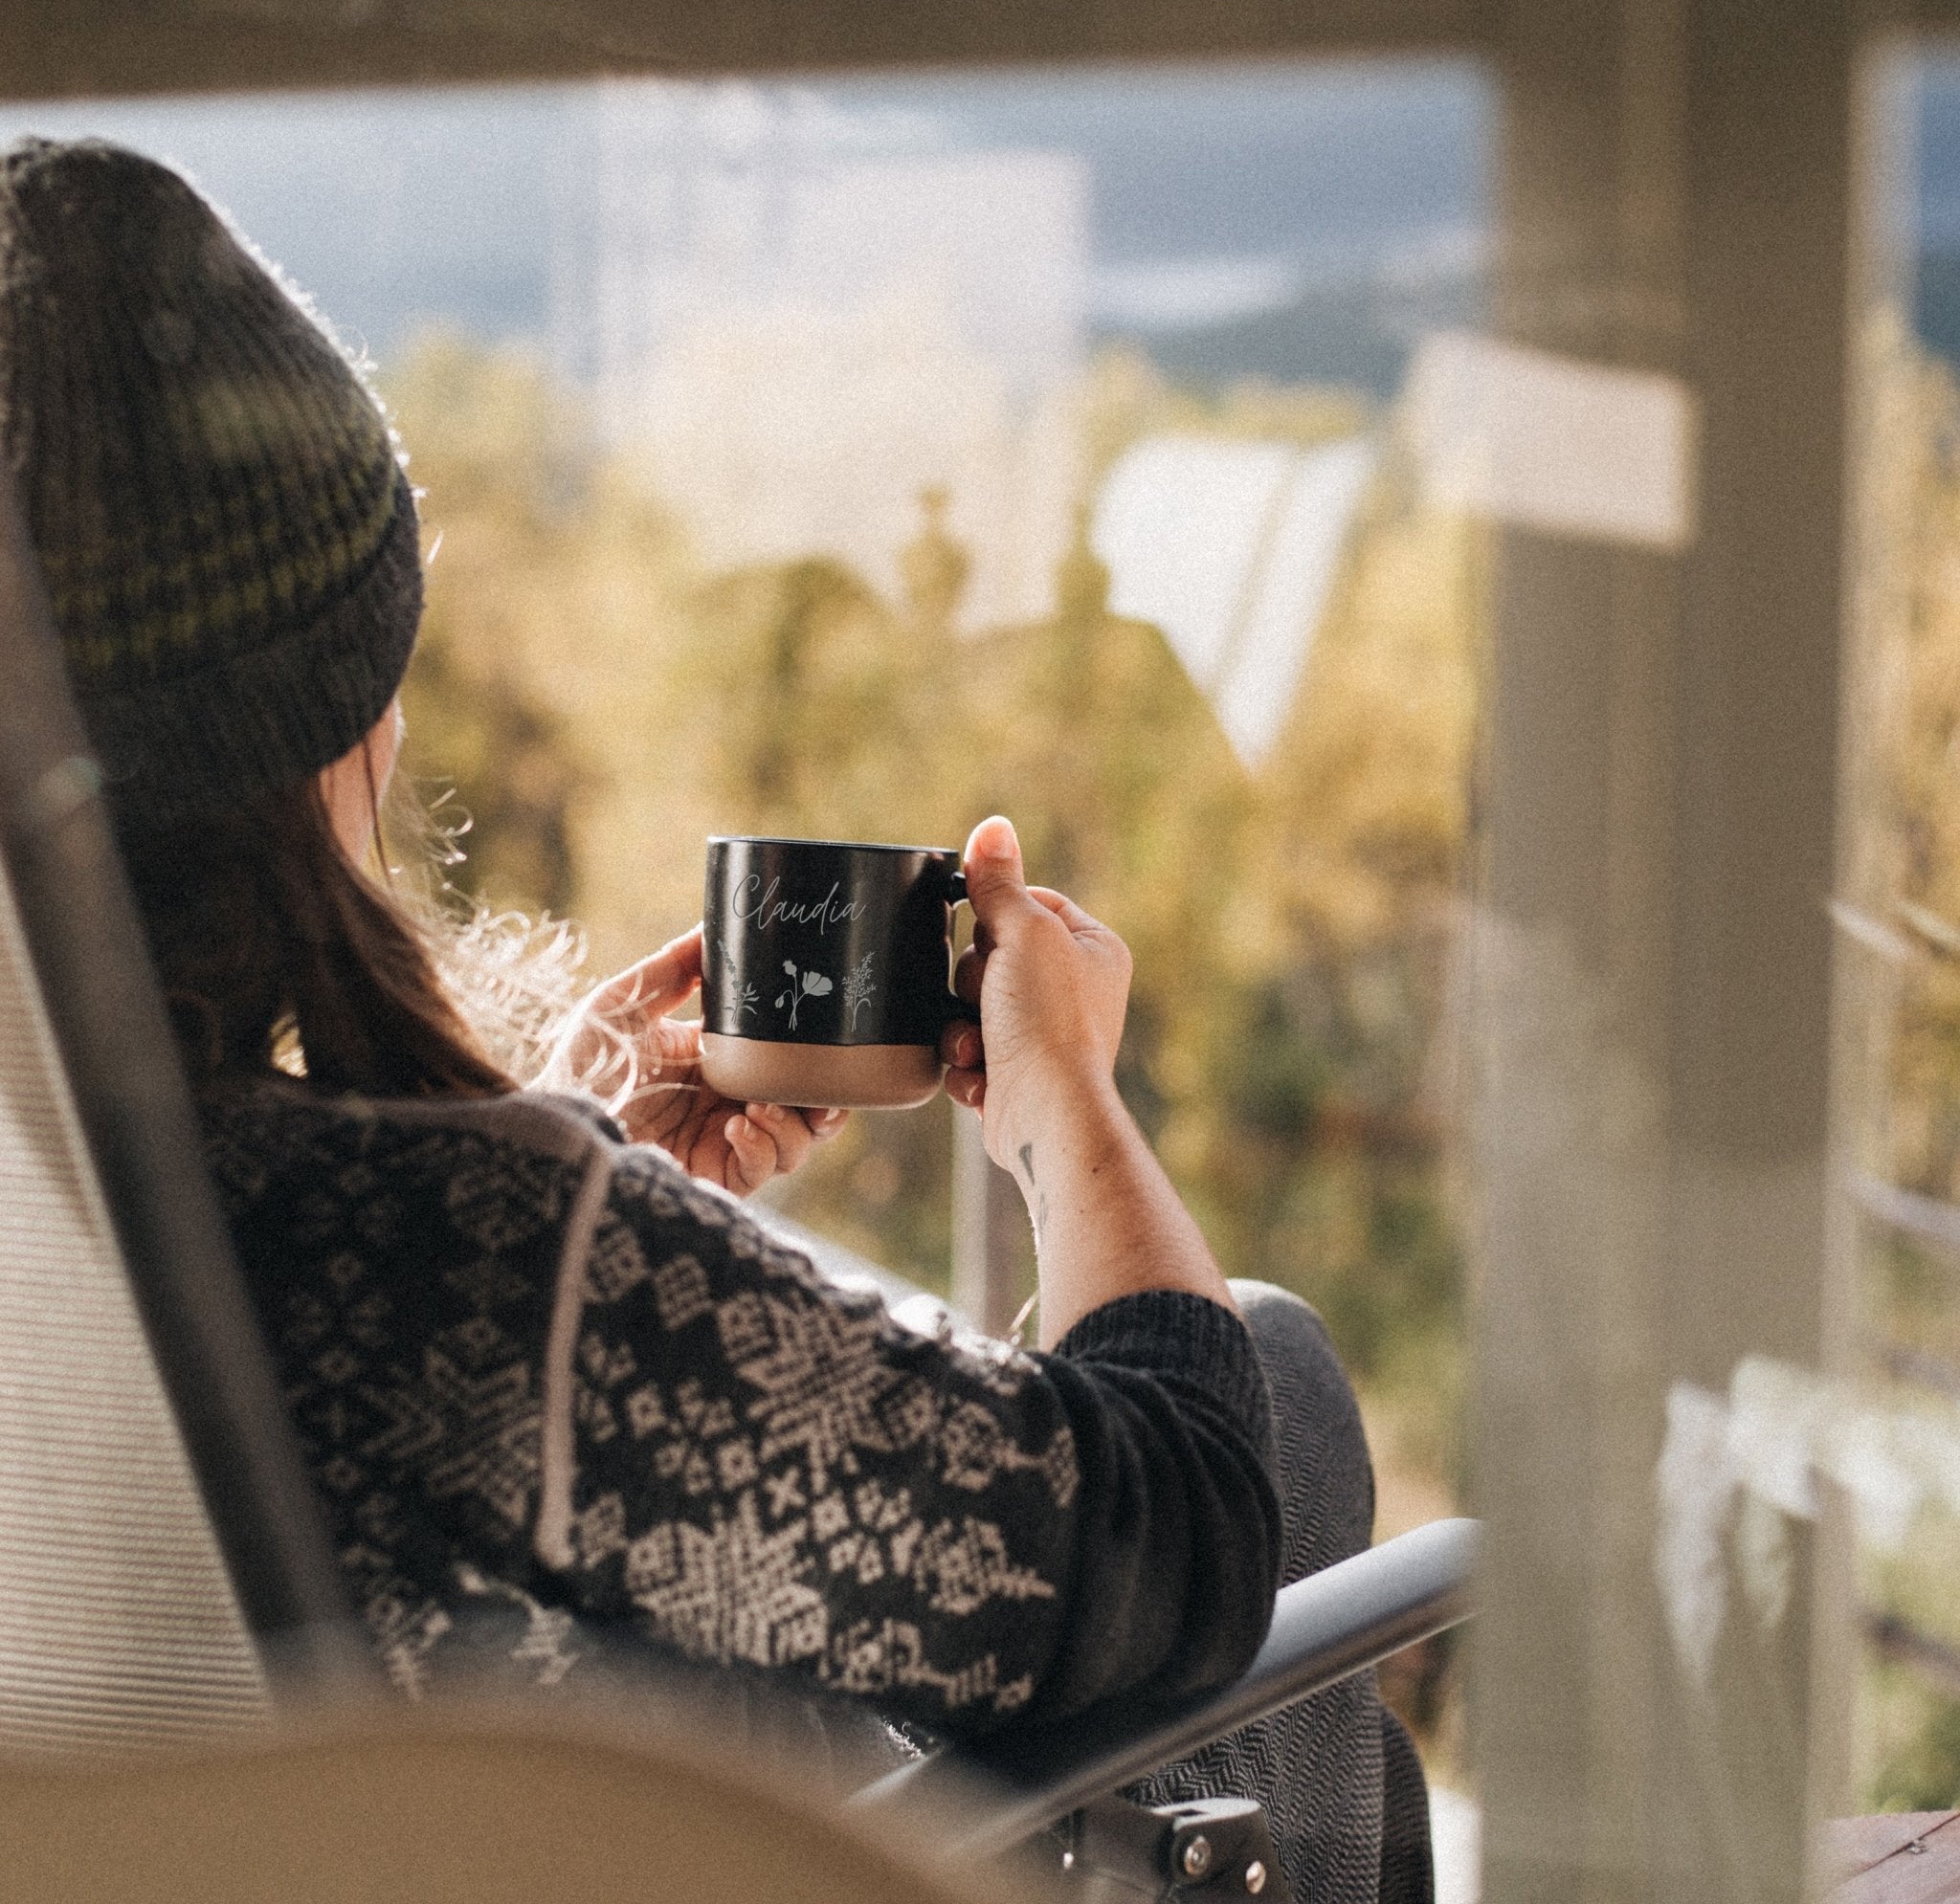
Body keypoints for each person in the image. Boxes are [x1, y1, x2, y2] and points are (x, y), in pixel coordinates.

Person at [0, 136, 1429, 1903]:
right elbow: (1180, 1542)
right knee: (1265, 1387)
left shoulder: (97, 1209)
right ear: (336, 734)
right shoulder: (466, 1262)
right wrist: (1065, 1106)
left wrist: (585, 1173)